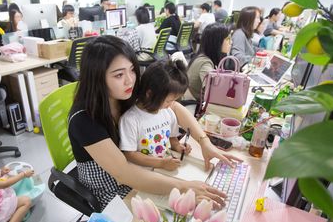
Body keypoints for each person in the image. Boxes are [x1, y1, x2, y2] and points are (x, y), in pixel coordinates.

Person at [68, 35, 240, 210]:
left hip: (140, 170)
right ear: (96, 78)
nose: (130, 80)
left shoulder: (125, 93)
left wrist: (205, 143)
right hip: (110, 187)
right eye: (119, 74)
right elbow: (122, 173)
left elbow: (173, 107)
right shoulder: (84, 119)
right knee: (173, 214)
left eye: (132, 70)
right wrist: (183, 187)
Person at [119, 59, 191, 171]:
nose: (170, 105)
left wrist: (178, 146)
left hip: (165, 168)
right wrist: (161, 163)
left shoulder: (167, 113)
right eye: (168, 101)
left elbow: (172, 137)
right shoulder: (130, 119)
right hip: (144, 174)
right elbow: (130, 154)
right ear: (150, 94)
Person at [187, 23, 232, 101]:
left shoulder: (204, 57)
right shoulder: (205, 63)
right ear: (217, 42)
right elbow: (215, 92)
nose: (231, 42)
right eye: (228, 39)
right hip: (193, 106)